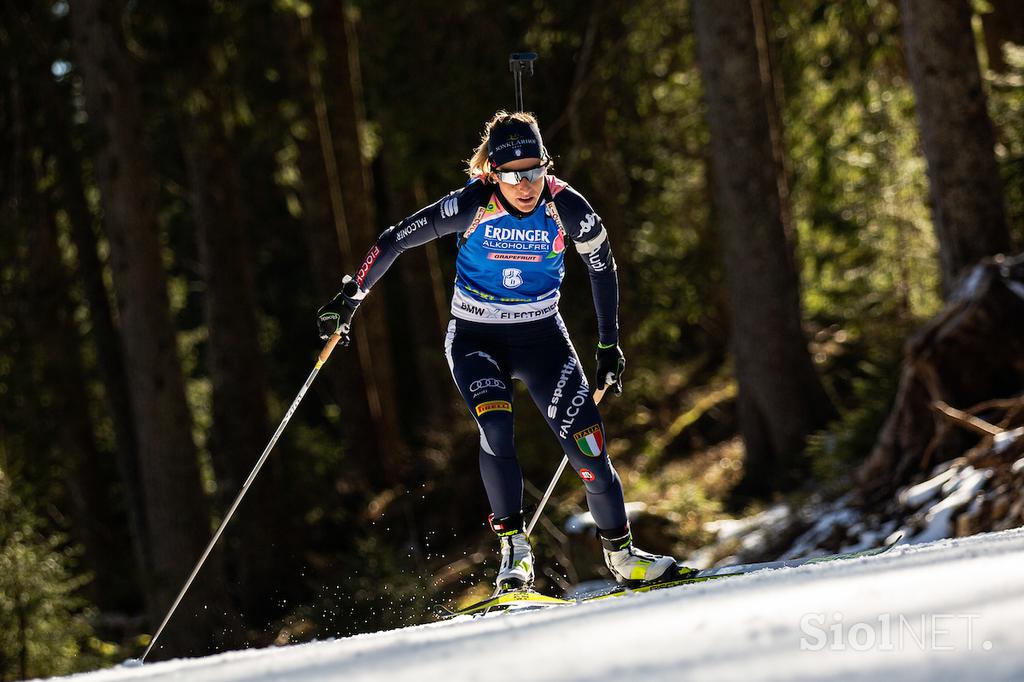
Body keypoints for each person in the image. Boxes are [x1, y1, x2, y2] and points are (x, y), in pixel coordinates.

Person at [316, 111, 688, 591]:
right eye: (513, 175)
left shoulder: (565, 206)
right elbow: (395, 240)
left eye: (535, 171)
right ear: (493, 172)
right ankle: (515, 556)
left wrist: (608, 344)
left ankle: (623, 557)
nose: (525, 184)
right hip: (477, 340)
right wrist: (352, 296)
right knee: (495, 424)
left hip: (543, 339)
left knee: (589, 447)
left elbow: (603, 266)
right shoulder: (472, 204)